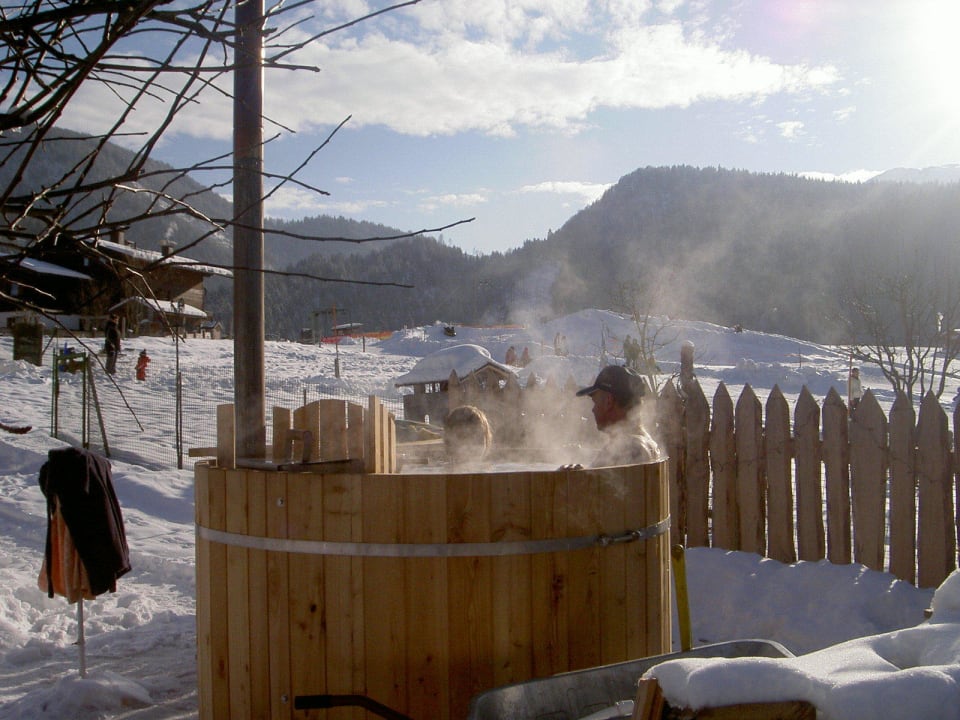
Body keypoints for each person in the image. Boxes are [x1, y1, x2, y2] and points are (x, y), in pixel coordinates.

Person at [575, 364, 660, 467]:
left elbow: (601, 482)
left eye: (595, 402)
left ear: (608, 401)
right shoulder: (645, 443)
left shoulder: (627, 449)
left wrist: (572, 478)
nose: (593, 410)